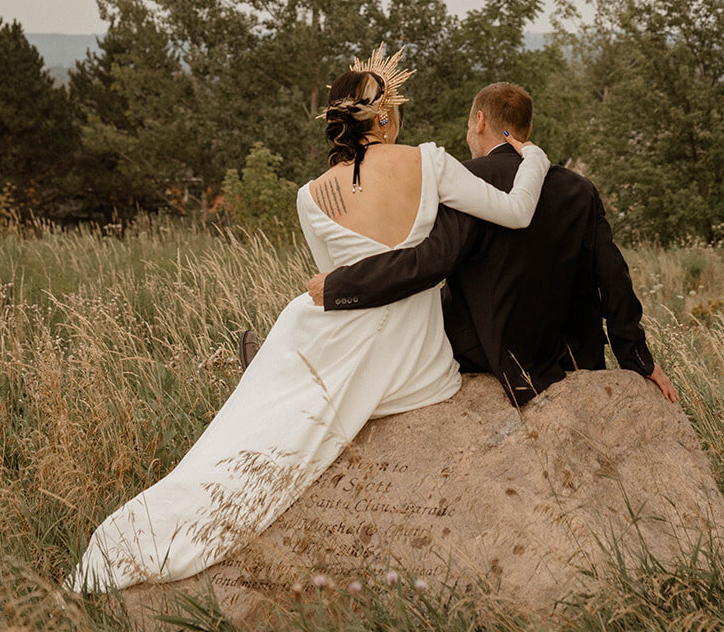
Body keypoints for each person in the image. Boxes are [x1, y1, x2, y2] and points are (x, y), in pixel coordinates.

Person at [67, 48, 551, 592]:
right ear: (386, 115)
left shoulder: (310, 197)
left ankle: (247, 406)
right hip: (416, 360)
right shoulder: (431, 161)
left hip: (334, 326)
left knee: (270, 393)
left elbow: (338, 285)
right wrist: (532, 158)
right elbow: (516, 213)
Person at [273, 81, 678, 408]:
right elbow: (613, 276)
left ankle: (298, 373)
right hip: (575, 354)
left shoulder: (469, 180)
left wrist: (342, 285)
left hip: (490, 352)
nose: (469, 132)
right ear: (526, 130)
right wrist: (638, 361)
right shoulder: (579, 189)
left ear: (480, 121)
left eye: (470, 125)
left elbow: (431, 262)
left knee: (415, 316)